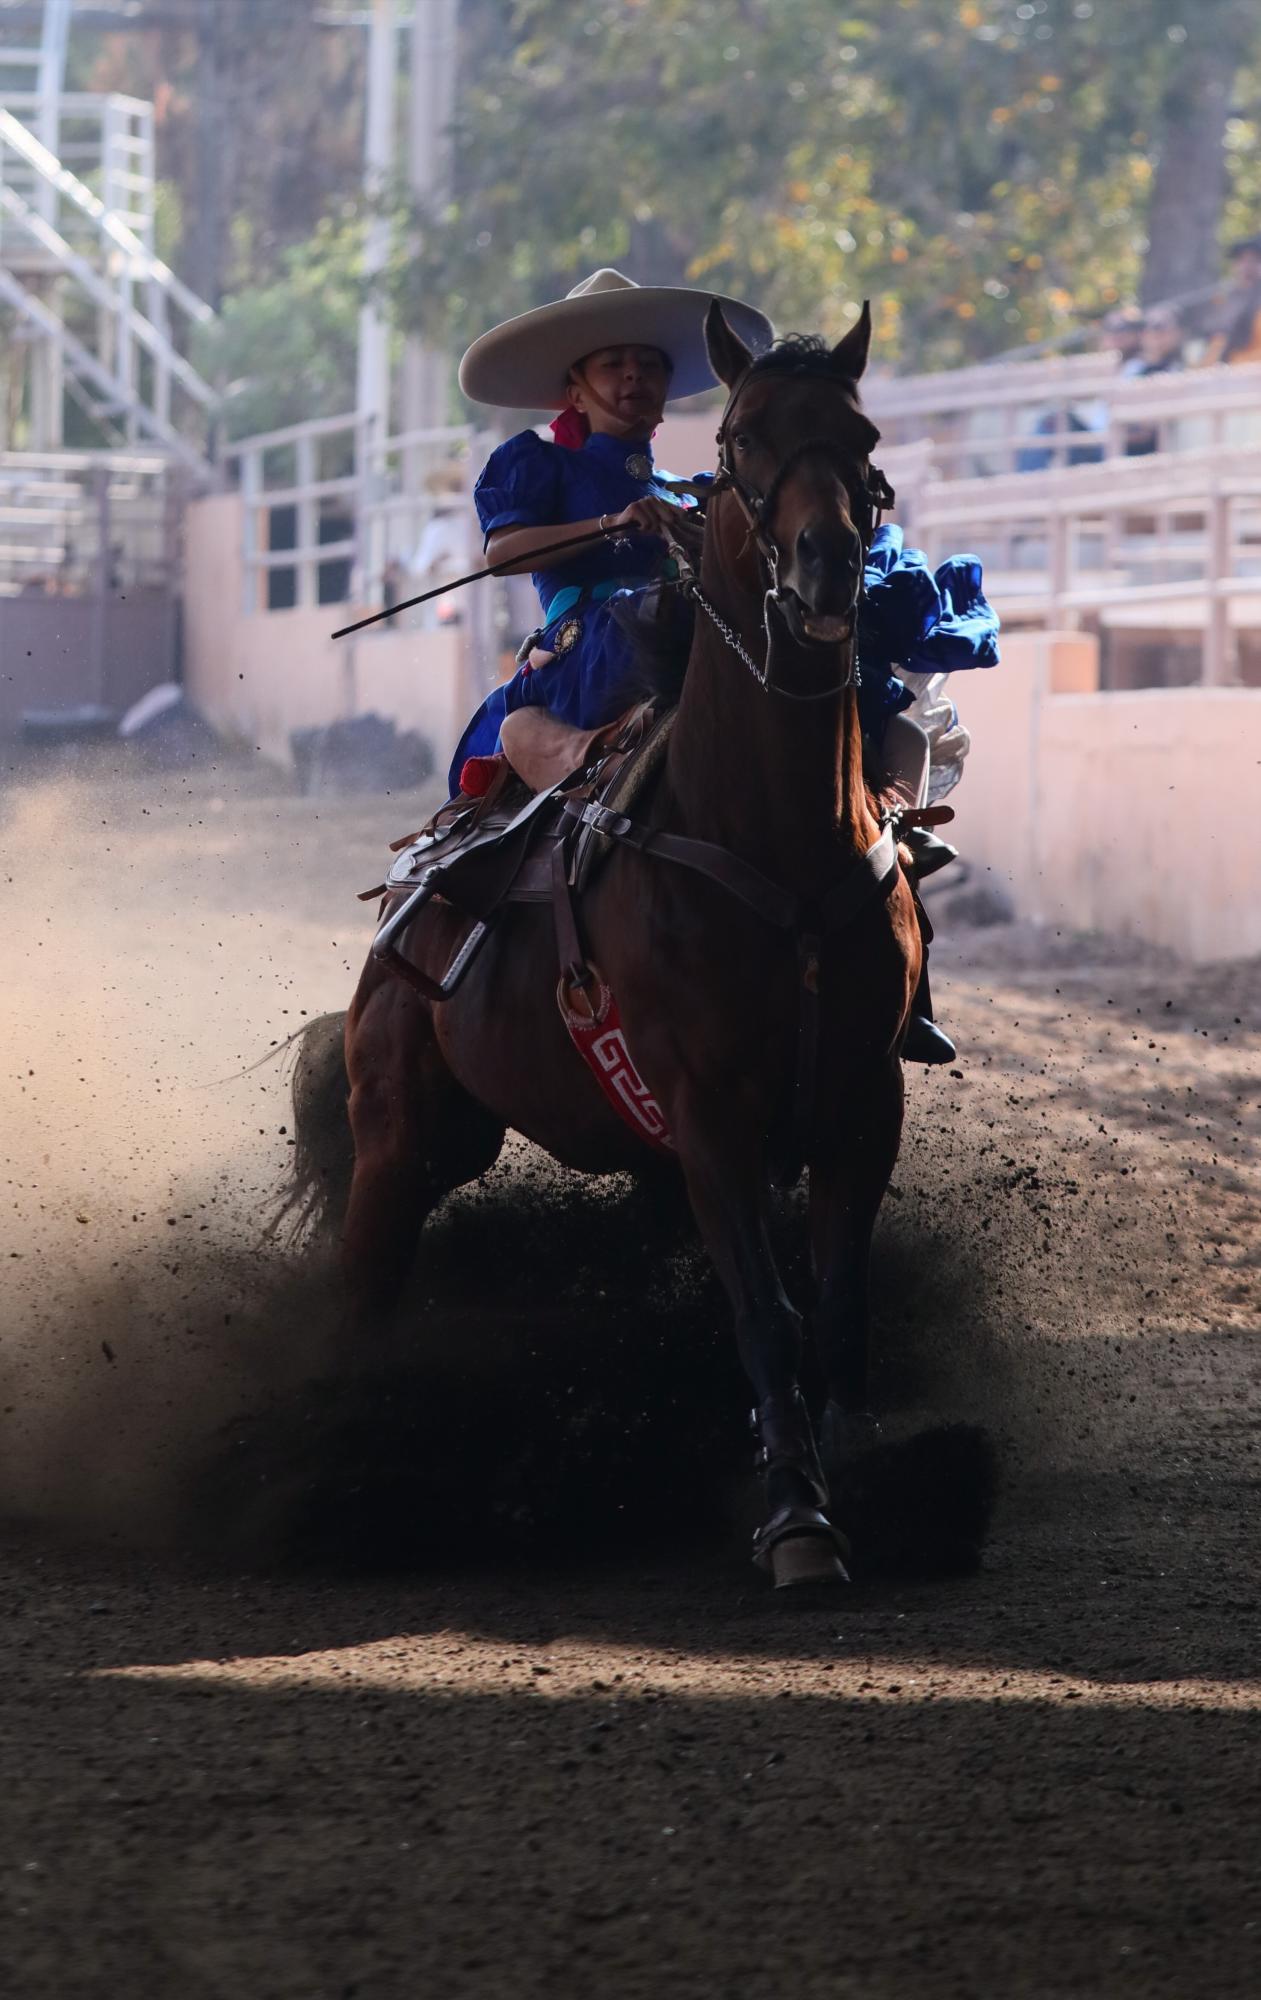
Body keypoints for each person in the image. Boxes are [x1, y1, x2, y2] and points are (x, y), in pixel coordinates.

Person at [449, 267, 998, 1060]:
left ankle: (892, 847)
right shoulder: (537, 463)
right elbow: (502, 553)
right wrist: (614, 524)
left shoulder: (702, 485)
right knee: (524, 724)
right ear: (575, 387)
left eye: (648, 365)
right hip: (597, 648)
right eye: (614, 366)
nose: (634, 377)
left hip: (705, 638)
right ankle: (568, 814)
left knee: (879, 707)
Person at [1204, 237, 1261, 365]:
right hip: (1230, 372)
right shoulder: (1224, 299)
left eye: (1254, 261)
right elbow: (1216, 341)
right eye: (1241, 261)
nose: (1247, 267)